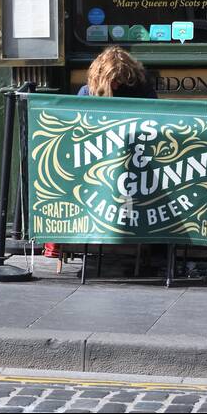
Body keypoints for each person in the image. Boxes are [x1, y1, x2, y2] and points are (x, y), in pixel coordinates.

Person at [46, 47, 155, 265]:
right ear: (101, 77)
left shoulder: (140, 89)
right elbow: (77, 132)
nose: (116, 85)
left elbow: (155, 124)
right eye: (112, 81)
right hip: (96, 160)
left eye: (120, 80)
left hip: (133, 159)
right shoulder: (88, 92)